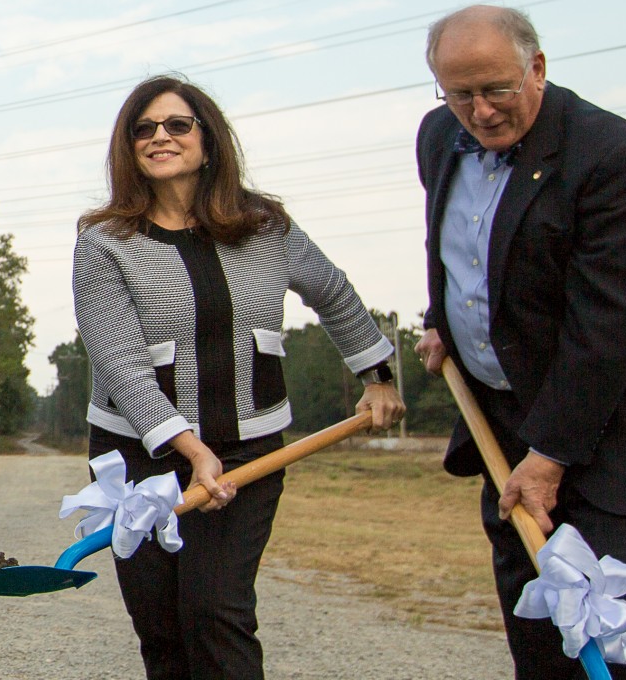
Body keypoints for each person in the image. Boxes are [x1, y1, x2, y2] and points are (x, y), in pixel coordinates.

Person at [413, 5, 626, 679]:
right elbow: (470, 249)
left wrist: (550, 456)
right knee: (544, 640)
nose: (479, 112)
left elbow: (613, 324)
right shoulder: (436, 137)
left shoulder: (614, 155)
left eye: (496, 88)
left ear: (537, 68)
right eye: (460, 94)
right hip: (511, 434)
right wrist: (442, 320)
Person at [73, 74, 405, 679]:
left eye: (177, 124)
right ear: (127, 147)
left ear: (207, 138)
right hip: (137, 458)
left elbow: (332, 291)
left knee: (216, 612)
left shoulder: (265, 226)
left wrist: (377, 375)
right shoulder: (102, 241)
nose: (159, 137)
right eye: (142, 129)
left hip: (247, 452)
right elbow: (119, 360)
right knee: (161, 625)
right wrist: (187, 447)